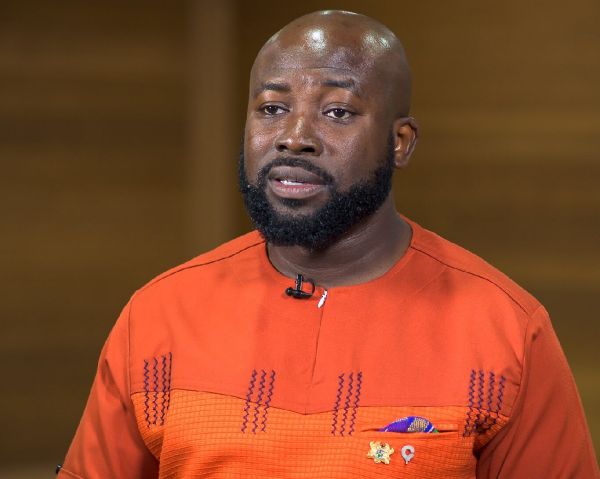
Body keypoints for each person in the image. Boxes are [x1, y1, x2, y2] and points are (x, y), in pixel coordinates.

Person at [57, 10, 598, 479]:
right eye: (272, 108)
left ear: (400, 142)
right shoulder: (158, 315)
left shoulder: (505, 329)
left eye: (337, 112)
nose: (295, 137)